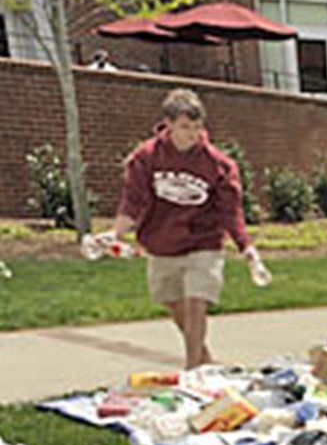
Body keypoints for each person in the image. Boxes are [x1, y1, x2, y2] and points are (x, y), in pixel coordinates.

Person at [110, 88, 263, 369]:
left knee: (196, 302)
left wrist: (247, 247)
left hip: (203, 241)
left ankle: (192, 371)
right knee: (171, 301)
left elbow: (231, 212)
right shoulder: (146, 157)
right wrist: (114, 233)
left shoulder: (218, 165)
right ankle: (203, 360)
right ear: (167, 124)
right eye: (184, 127)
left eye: (196, 126)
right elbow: (134, 201)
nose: (192, 133)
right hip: (161, 243)